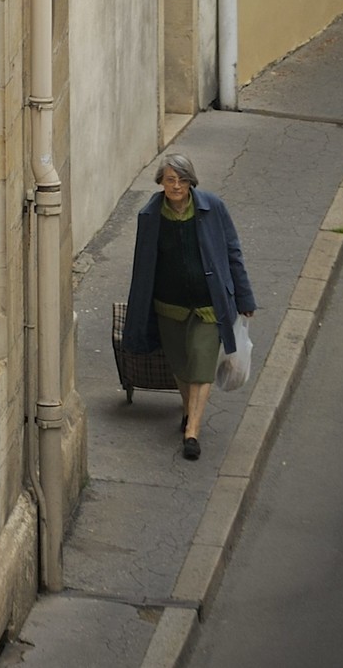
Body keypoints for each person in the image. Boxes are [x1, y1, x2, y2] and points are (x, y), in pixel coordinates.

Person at [123, 150, 255, 459]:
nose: (177, 185)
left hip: (208, 305)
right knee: (181, 367)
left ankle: (192, 431)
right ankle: (187, 409)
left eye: (182, 179)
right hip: (169, 306)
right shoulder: (150, 216)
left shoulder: (213, 208)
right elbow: (143, 267)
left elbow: (233, 251)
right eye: (170, 180)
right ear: (161, 183)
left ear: (191, 182)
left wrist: (244, 297)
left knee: (201, 364)